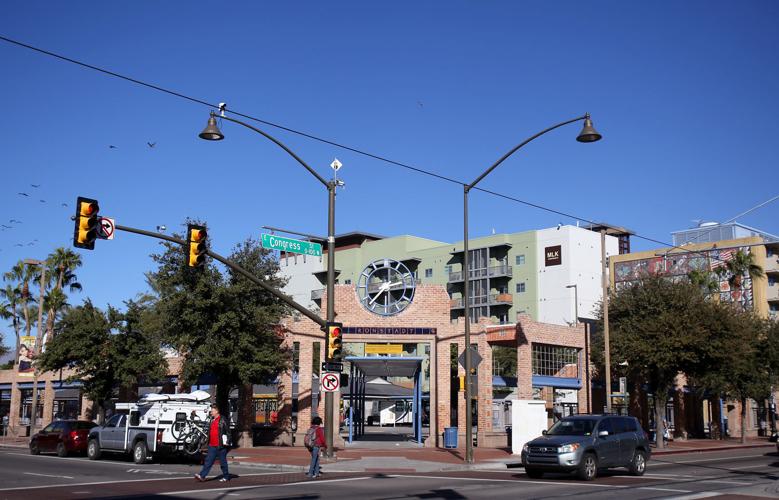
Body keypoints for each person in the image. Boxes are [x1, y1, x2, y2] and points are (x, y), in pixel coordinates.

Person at [195, 403, 231, 483]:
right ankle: (202, 476)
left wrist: (228, 441)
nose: (211, 412)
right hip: (212, 445)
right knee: (208, 461)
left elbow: (228, 431)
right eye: (211, 411)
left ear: (217, 411)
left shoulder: (222, 419)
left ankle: (226, 476)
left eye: (212, 411)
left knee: (223, 462)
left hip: (220, 445)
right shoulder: (212, 420)